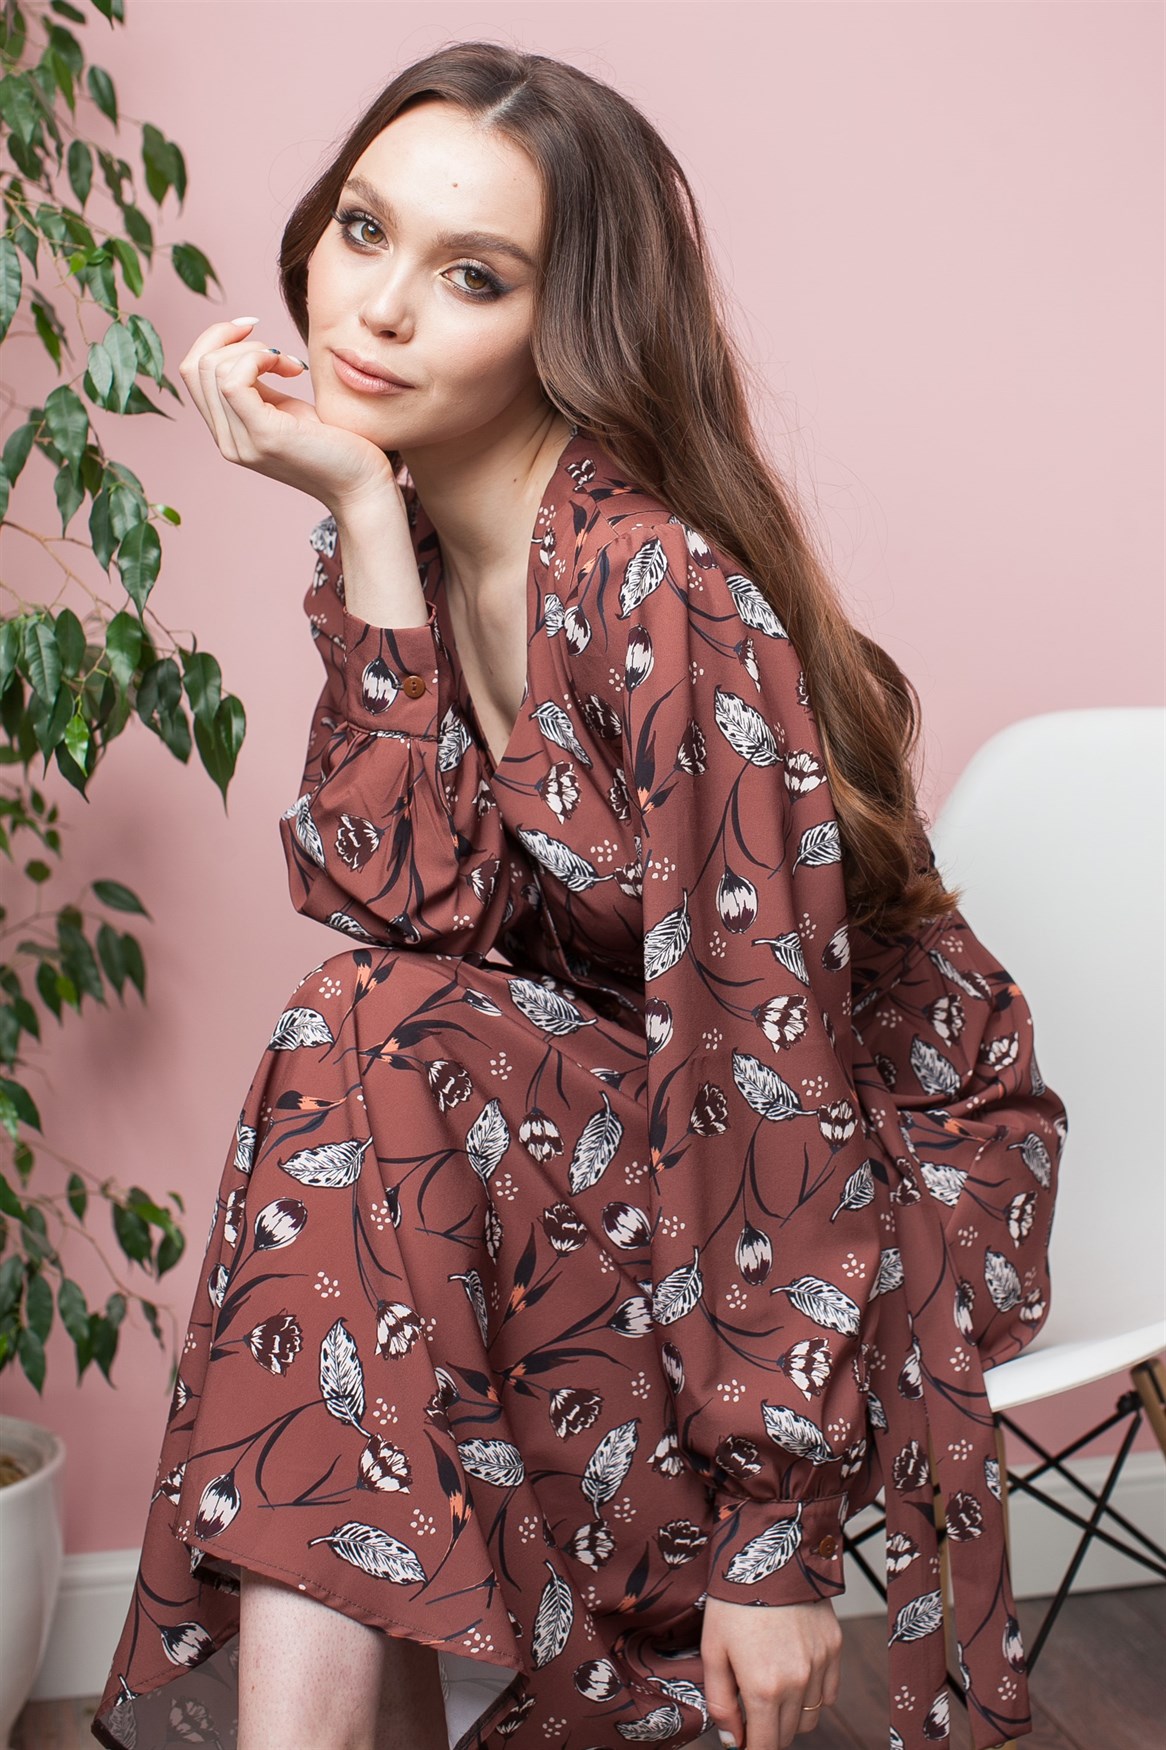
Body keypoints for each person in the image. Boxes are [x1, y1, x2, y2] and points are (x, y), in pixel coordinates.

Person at [90, 40, 1066, 1750]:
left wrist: (770, 1535)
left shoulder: (653, 586)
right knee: (362, 1037)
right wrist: (360, 517)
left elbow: (768, 1052)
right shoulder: (407, 528)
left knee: (362, 1066)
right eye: (363, 230)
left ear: (566, 322)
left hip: (857, 1174)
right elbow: (404, 908)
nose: (380, 306)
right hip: (614, 1123)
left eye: (472, 275)